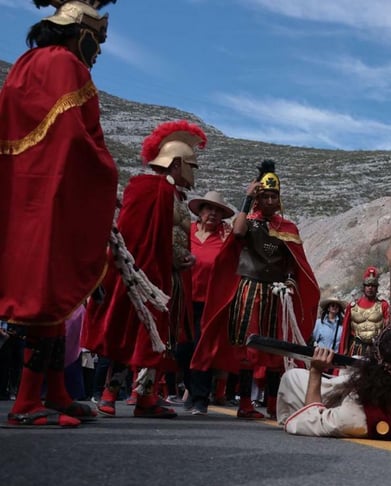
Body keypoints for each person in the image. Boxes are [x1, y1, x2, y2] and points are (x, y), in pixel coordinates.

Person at [1, 1, 118, 427]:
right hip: (51, 191)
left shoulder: (28, 62)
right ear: (80, 32)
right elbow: (72, 136)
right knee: (44, 295)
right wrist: (106, 169)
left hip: (27, 191)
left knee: (49, 298)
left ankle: (56, 391)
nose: (99, 51)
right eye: (98, 41)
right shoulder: (66, 65)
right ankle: (26, 403)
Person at [83, 120, 208, 419]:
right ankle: (111, 393)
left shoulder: (176, 196)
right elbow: (135, 235)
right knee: (134, 333)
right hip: (146, 278)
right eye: (189, 165)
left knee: (159, 341)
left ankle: (146, 396)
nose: (192, 172)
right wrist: (162, 263)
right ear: (175, 164)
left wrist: (182, 260)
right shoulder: (147, 188)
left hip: (169, 279)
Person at [191, 160, 320, 420]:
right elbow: (237, 233)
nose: (270, 200)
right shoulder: (249, 221)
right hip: (249, 290)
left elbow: (294, 265)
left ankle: (273, 404)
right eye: (265, 196)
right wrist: (246, 199)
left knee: (274, 349)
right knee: (247, 347)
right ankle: (246, 404)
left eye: (274, 196)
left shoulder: (288, 228)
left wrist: (291, 282)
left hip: (276, 294)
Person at [176, 191, 235, 415]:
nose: (213, 213)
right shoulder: (186, 231)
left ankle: (201, 398)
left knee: (203, 349)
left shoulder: (224, 238)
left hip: (210, 303)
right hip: (184, 299)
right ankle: (191, 388)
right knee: (183, 349)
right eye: (208, 209)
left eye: (218, 210)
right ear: (199, 212)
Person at [339, 267, 390, 357]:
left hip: (376, 349)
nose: (370, 288)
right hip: (356, 348)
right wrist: (344, 350)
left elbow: (389, 328)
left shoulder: (384, 305)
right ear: (364, 287)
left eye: (373, 285)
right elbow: (346, 331)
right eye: (368, 285)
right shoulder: (353, 306)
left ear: (377, 288)